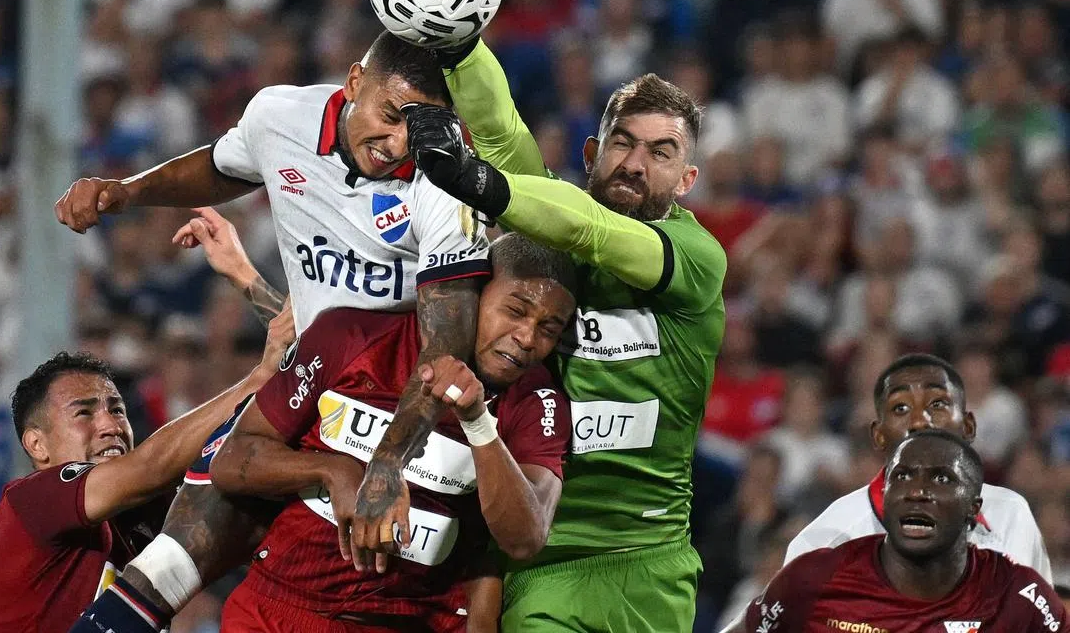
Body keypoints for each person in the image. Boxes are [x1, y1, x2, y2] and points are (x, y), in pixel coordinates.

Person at [56, 32, 492, 628]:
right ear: (354, 83)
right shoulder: (279, 117)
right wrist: (128, 192)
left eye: (415, 130)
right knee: (172, 554)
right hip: (305, 385)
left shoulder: (446, 178)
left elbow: (445, 349)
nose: (397, 144)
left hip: (399, 409)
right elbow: (221, 167)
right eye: (390, 116)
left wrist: (388, 462)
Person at [368, 37, 727, 631]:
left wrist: (479, 181)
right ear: (591, 152)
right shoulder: (548, 225)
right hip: (537, 558)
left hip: (648, 560)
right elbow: (501, 132)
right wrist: (460, 46)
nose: (635, 164)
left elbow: (595, 232)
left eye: (660, 153)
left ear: (687, 179)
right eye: (622, 143)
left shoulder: (698, 257)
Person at [209, 233, 577, 632]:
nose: (526, 338)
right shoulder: (352, 336)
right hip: (278, 608)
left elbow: (525, 538)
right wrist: (332, 471)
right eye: (515, 311)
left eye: (548, 329)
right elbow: (231, 461)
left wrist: (477, 421)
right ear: (474, 294)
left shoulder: (536, 401)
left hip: (408, 621)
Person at [0, 302, 293, 633]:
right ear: (37, 444)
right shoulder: (31, 500)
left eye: (117, 410)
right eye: (84, 413)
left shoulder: (142, 513)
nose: (110, 426)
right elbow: (152, 465)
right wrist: (258, 380)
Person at [717, 352, 1050, 633]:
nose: (920, 421)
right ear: (878, 435)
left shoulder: (1013, 514)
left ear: (968, 426)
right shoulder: (830, 538)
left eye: (937, 404)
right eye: (900, 408)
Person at [741, 430, 1067, 632]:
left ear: (973, 507)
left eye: (941, 478)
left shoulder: (1017, 595)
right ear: (884, 496)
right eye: (902, 476)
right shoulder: (814, 578)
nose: (916, 491)